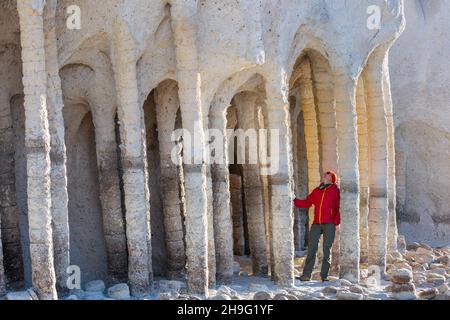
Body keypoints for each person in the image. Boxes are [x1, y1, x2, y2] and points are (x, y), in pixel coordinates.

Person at [293, 171, 340, 282]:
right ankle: (306, 275)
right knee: (312, 249)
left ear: (332, 179)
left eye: (328, 177)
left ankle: (324, 276)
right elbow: (307, 203)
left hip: (329, 224)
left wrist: (335, 222)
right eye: (325, 176)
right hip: (316, 224)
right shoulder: (317, 191)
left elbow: (338, 207)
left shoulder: (335, 191)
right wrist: (294, 200)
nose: (326, 178)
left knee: (326, 250)